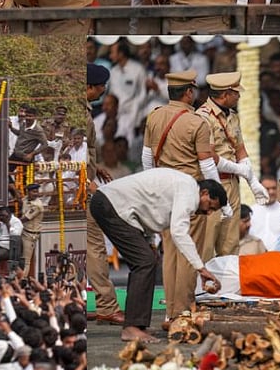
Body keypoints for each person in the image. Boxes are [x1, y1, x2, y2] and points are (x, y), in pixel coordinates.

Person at [90, 169, 227, 343]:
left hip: (113, 205)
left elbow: (147, 213)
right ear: (205, 193)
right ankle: (132, 327)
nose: (208, 213)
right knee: (144, 262)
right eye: (210, 207)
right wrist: (201, 268)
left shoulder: (184, 186)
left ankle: (138, 325)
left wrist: (150, 243)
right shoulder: (188, 189)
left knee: (147, 260)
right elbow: (179, 232)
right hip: (110, 204)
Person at [141, 69, 220, 326]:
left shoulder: (154, 117)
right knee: (188, 252)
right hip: (190, 194)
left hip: (163, 192)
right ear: (188, 92)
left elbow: (146, 158)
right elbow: (207, 165)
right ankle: (182, 312)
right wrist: (219, 195)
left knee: (170, 253)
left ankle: (169, 312)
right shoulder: (197, 122)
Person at [196, 71, 270, 257]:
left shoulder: (232, 115)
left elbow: (240, 150)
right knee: (208, 242)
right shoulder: (203, 117)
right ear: (225, 94)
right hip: (212, 185)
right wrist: (240, 169)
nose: (239, 96)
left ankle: (228, 276)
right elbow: (209, 156)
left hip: (232, 184)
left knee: (230, 243)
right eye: (236, 93)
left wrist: (253, 182)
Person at [86, 61, 124, 326]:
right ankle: (107, 306)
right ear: (90, 87)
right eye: (101, 87)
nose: (103, 91)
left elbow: (82, 150)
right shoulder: (82, 114)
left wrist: (94, 166)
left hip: (79, 185)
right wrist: (88, 182)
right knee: (95, 248)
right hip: (80, 190)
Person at [20, 182, 46, 277]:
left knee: (26, 260)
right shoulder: (26, 199)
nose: (36, 194)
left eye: (36, 191)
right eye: (33, 192)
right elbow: (20, 201)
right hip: (23, 231)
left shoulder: (37, 205)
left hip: (30, 234)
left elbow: (25, 218)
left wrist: (14, 221)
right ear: (28, 192)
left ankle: (22, 280)